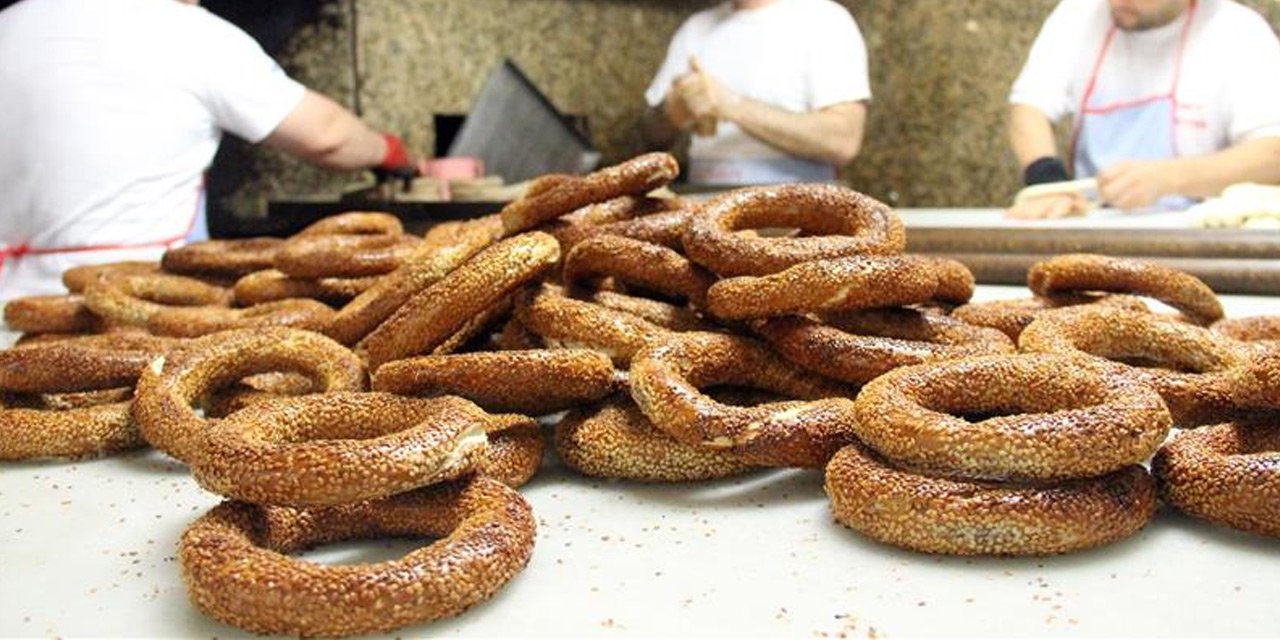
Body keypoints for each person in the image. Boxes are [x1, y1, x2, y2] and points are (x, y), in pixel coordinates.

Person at [0, 0, 416, 299]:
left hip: (9, 303)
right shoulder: (184, 31)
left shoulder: (11, 24)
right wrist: (391, 152)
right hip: (129, 306)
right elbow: (327, 136)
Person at [1007, 0, 1280, 218]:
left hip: (1196, 233)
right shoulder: (1079, 13)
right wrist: (1048, 182)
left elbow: (1272, 154)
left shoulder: (1239, 32)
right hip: (1092, 227)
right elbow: (1029, 107)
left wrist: (1170, 177)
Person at [641, 0, 870, 186]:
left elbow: (843, 140)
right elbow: (651, 135)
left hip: (798, 205)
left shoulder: (825, 20)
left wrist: (733, 106)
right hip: (703, 200)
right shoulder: (696, 28)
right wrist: (673, 112)